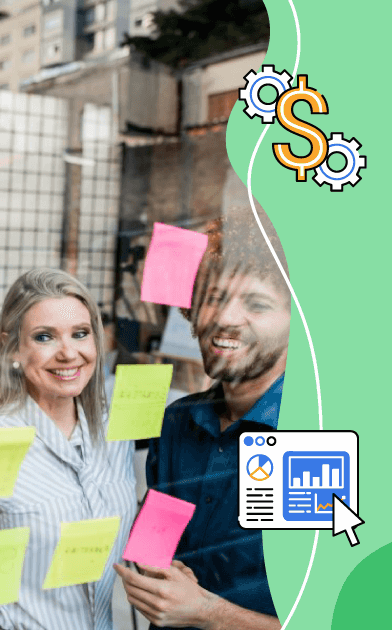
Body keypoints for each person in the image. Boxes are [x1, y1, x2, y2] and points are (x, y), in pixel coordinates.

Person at [0, 269, 137, 630]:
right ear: (13, 347)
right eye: (45, 337)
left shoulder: (113, 432)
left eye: (80, 333)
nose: (69, 353)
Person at [115, 215, 289, 630]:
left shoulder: (325, 439)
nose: (225, 318)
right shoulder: (178, 421)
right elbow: (155, 539)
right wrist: (154, 568)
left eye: (257, 304)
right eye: (213, 297)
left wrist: (208, 613)